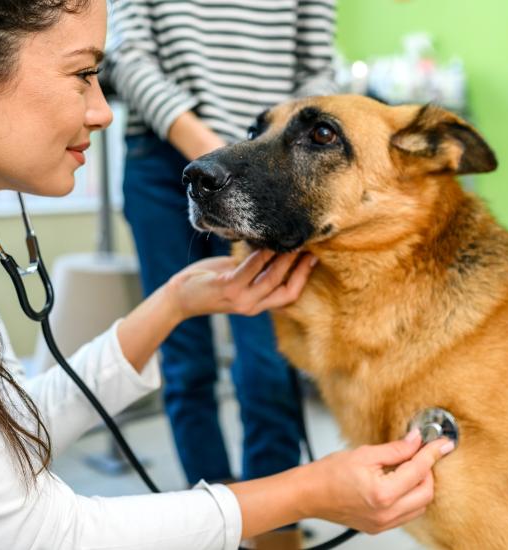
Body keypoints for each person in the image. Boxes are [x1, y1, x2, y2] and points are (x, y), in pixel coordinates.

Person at [0, 2, 453, 549]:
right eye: (84, 75)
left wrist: (172, 306)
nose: (102, 111)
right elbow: (37, 528)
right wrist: (308, 491)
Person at [106, 4, 340, 544]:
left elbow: (317, 66)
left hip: (270, 157)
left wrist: (273, 149)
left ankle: (277, 526)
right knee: (186, 359)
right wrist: (208, 151)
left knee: (268, 358)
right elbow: (128, 55)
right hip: (164, 155)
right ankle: (209, 522)